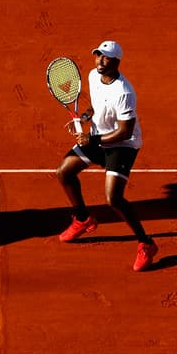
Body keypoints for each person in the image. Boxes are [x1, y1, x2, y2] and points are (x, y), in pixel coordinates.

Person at [55, 40, 158, 271]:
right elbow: (96, 106)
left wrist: (91, 140)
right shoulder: (93, 76)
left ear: (117, 61)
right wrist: (84, 118)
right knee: (64, 172)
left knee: (113, 199)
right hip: (99, 136)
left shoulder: (125, 92)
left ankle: (146, 243)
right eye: (98, 56)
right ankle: (83, 219)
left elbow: (125, 131)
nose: (100, 61)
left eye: (106, 57)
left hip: (122, 145)